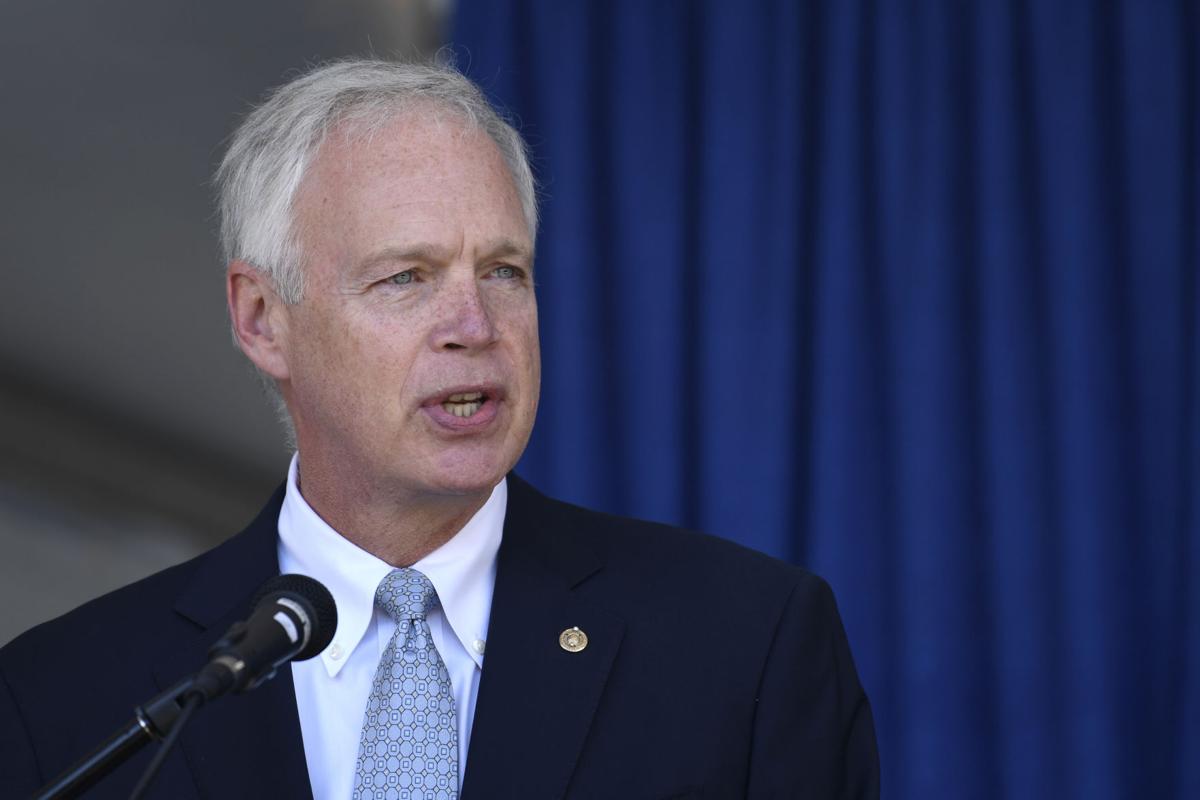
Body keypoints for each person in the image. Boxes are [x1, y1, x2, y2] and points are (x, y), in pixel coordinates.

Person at [0, 58, 879, 799]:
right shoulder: (67, 700)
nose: (474, 323)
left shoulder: (745, 648)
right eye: (406, 278)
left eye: (503, 270)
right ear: (264, 318)